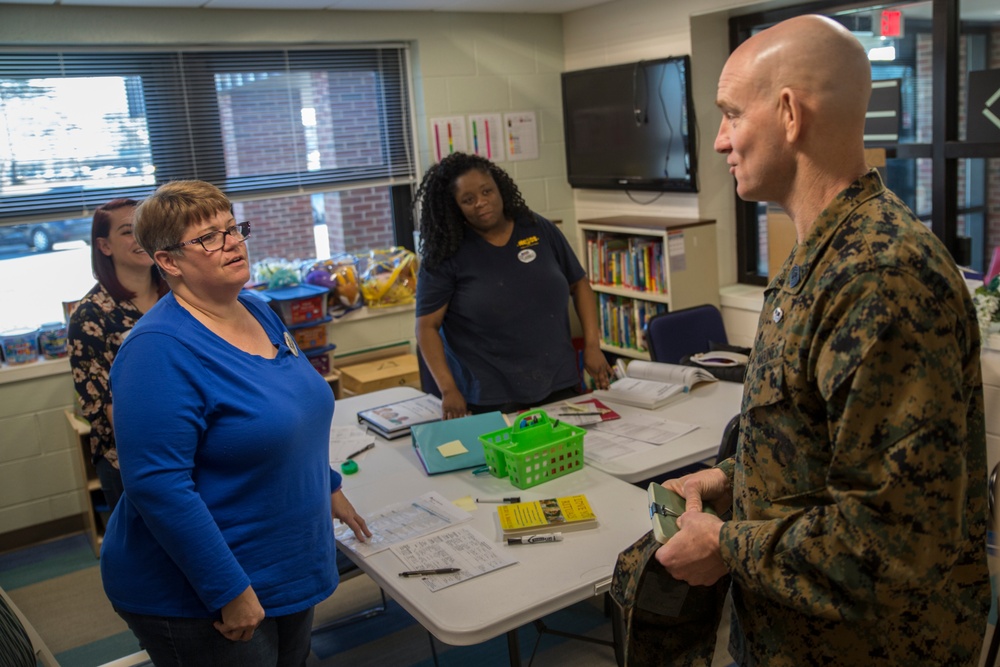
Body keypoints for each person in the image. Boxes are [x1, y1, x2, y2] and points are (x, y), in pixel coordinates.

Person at [655, 15, 990, 666]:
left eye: (730, 113)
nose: (720, 140)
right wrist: (733, 480)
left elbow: (889, 542)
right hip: (788, 635)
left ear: (787, 113)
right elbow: (821, 449)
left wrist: (726, 543)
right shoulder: (819, 255)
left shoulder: (878, 277)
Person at [101, 180, 371, 666]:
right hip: (200, 589)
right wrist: (227, 589)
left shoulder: (258, 309)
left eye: (232, 229)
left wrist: (328, 486)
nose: (231, 243)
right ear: (168, 262)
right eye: (207, 238)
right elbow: (158, 485)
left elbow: (292, 410)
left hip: (281, 563)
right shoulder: (155, 351)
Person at [414, 152, 611, 419]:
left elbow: (579, 283)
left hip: (558, 381)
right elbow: (427, 327)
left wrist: (592, 345)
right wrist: (448, 390)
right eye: (468, 200)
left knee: (576, 457)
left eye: (487, 191)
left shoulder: (536, 227)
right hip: (490, 395)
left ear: (500, 188)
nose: (482, 203)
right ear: (454, 206)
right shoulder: (445, 253)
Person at [68, 198, 169, 512]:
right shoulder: (90, 315)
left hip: (198, 444)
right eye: (128, 232)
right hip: (134, 458)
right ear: (104, 245)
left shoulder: (179, 294)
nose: (140, 239)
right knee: (149, 557)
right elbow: (100, 405)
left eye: (144, 230)